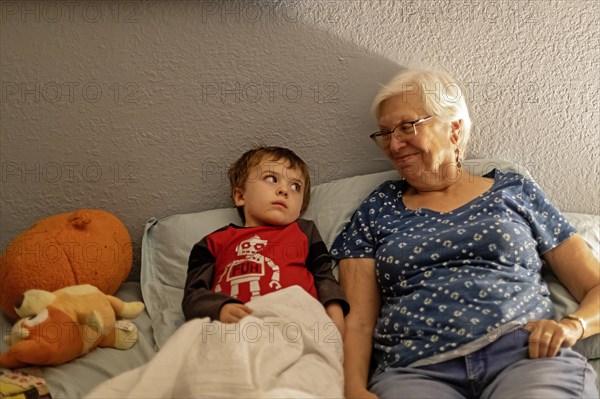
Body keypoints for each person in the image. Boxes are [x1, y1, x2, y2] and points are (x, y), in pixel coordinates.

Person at [332, 69, 599, 398]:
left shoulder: (513, 191)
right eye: (385, 133)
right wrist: (354, 388)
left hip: (526, 358)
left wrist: (573, 326)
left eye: (406, 127)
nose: (393, 144)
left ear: (454, 129)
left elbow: (595, 285)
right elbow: (358, 319)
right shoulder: (377, 208)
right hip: (416, 370)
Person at [182, 146, 348, 335]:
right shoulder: (213, 242)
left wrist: (335, 316)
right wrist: (219, 309)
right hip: (232, 331)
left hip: (296, 326)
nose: (284, 190)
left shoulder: (304, 231)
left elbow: (324, 276)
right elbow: (193, 296)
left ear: (300, 209)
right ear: (240, 196)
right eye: (271, 179)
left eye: (296, 187)